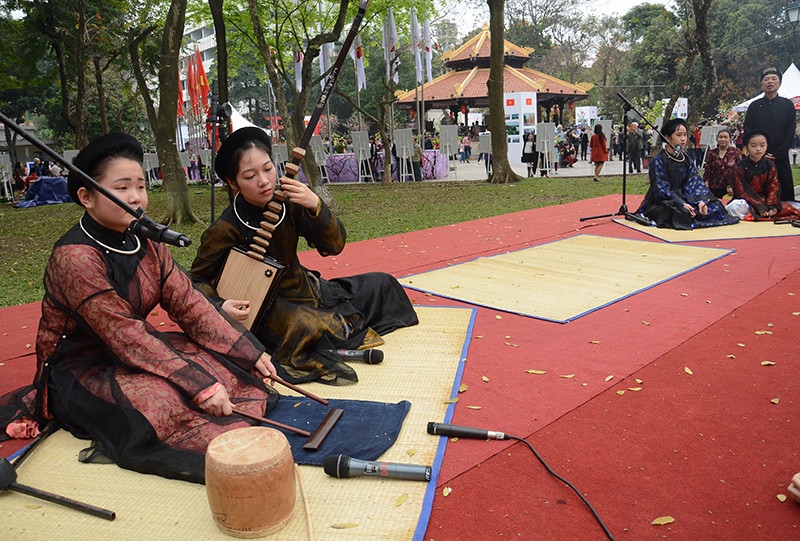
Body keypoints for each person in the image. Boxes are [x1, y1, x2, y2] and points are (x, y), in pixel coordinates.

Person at [0, 133, 280, 483]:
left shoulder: (143, 240)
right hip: (81, 370)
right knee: (162, 399)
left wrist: (248, 352)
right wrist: (198, 386)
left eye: (141, 187)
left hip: (132, 353)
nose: (136, 199)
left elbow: (189, 302)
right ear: (86, 196)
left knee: (216, 364)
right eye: (121, 188)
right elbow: (124, 334)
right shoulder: (75, 258)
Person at [189, 127, 418, 385]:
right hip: (267, 310)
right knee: (305, 325)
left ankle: (328, 330)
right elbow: (196, 280)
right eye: (250, 176)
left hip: (306, 289)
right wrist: (221, 306)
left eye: (267, 169)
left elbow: (335, 245)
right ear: (233, 183)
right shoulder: (226, 228)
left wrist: (314, 205)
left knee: (382, 284)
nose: (264, 181)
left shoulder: (289, 203)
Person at [633, 118, 739, 230]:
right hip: (665, 201)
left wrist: (701, 202)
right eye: (679, 135)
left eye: (685, 135)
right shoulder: (658, 160)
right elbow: (661, 190)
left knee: (715, 206)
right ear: (668, 138)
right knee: (676, 213)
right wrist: (681, 204)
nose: (683, 139)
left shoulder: (686, 159)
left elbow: (694, 181)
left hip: (686, 197)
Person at [744, 67, 797, 201]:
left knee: (785, 195)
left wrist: (777, 154)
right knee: (758, 193)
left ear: (779, 83)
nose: (770, 82)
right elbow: (748, 130)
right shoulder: (755, 106)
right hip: (758, 156)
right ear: (761, 84)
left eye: (774, 79)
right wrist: (758, 151)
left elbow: (790, 132)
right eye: (766, 79)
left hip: (780, 157)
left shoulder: (787, 105)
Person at [726, 130, 800, 221]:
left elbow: (774, 186)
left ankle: (762, 214)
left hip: (766, 201)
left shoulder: (770, 164)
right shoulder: (739, 166)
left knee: (791, 208)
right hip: (747, 202)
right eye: (753, 146)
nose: (758, 149)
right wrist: (759, 206)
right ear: (746, 148)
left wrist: (772, 205)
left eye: (762, 145)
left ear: (766, 146)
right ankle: (758, 213)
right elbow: (741, 191)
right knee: (735, 207)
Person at [702, 128, 739, 198]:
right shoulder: (711, 153)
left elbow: (739, 170)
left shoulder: (735, 152)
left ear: (730, 138)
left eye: (725, 137)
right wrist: (706, 182)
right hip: (714, 186)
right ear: (717, 139)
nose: (723, 139)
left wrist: (734, 185)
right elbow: (707, 169)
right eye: (720, 137)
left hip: (730, 187)